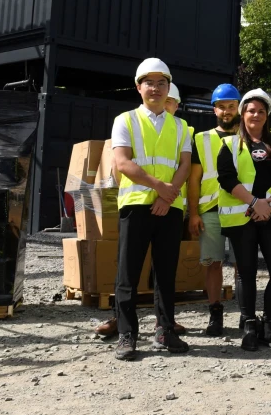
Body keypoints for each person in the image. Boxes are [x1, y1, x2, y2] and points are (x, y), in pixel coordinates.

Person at [110, 58, 192, 361]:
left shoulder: (182, 126)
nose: (155, 88)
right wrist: (160, 187)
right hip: (136, 205)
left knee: (166, 273)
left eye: (161, 83)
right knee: (127, 272)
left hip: (169, 208)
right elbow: (123, 163)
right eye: (149, 82)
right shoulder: (125, 120)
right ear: (138, 87)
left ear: (168, 88)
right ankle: (127, 334)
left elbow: (184, 165)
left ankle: (165, 329)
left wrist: (166, 197)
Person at [216, 89, 271, 351]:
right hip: (243, 217)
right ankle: (250, 327)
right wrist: (254, 202)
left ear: (267, 115)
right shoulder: (229, 144)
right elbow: (227, 179)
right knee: (246, 273)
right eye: (251, 110)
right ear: (242, 113)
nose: (256, 115)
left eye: (261, 111)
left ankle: (269, 327)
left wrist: (268, 204)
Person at [187, 83, 242, 337]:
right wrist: (194, 213)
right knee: (213, 263)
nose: (227, 111)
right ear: (214, 110)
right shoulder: (201, 139)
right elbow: (194, 179)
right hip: (211, 210)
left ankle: (246, 314)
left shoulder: (248, 138)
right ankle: (215, 314)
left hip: (242, 209)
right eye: (222, 107)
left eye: (232, 106)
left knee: (244, 264)